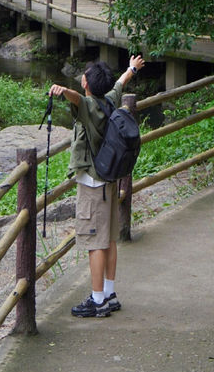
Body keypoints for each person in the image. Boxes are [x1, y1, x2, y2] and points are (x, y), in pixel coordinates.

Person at [49, 54, 145, 317]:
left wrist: (62, 90)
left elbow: (77, 99)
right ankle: (109, 293)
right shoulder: (109, 100)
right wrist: (132, 69)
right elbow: (120, 85)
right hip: (109, 181)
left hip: (93, 184)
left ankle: (98, 299)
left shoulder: (89, 105)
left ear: (85, 83)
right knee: (109, 239)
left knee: (95, 242)